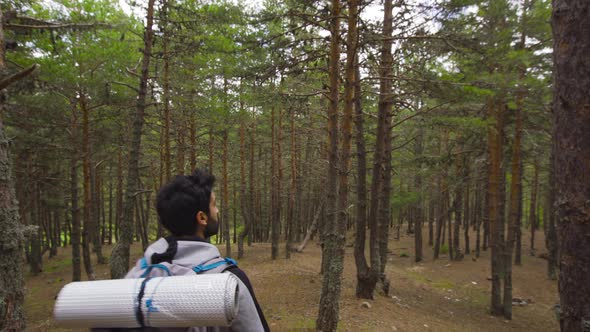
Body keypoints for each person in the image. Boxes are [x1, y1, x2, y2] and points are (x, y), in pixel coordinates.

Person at [125, 169, 269, 332]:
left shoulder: (137, 274)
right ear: (202, 217)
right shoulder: (229, 280)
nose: (217, 211)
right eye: (214, 205)